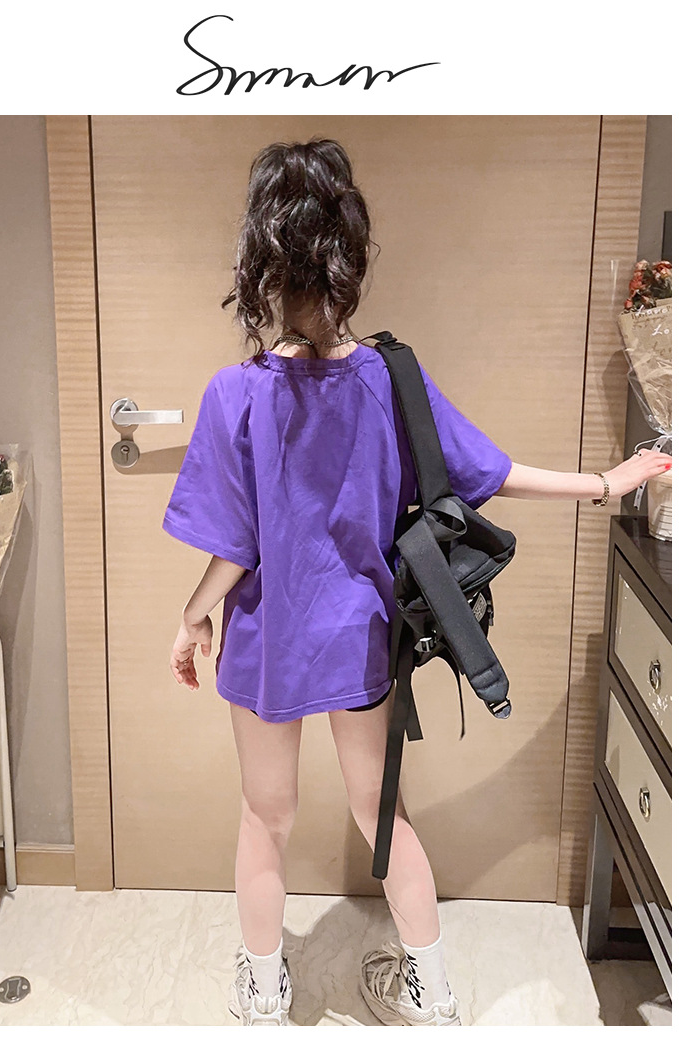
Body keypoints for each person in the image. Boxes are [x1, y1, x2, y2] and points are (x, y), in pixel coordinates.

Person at [162, 138, 672, 1027]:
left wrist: (191, 618)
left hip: (270, 640)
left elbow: (235, 547)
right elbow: (486, 473)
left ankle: (262, 996)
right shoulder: (389, 378)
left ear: (262, 264)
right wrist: (605, 482)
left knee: (264, 817)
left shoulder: (235, 393)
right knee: (382, 810)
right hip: (361, 634)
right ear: (348, 256)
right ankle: (433, 997)